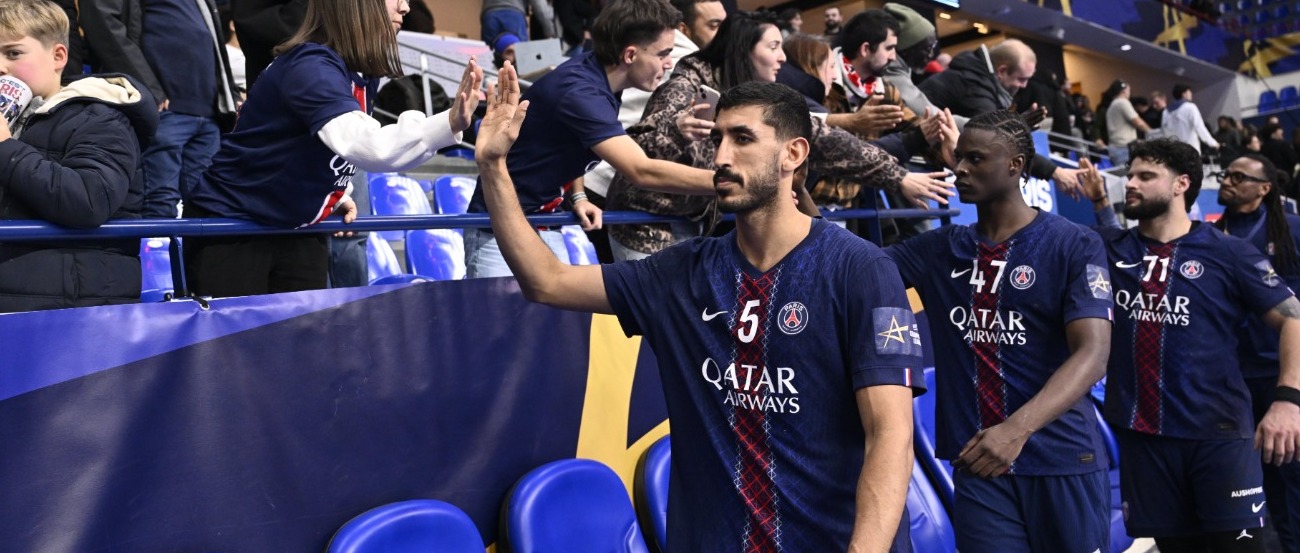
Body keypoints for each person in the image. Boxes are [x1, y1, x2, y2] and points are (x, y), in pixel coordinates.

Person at [478, 62, 921, 552]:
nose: (722, 157)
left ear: (793, 154)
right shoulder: (682, 272)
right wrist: (494, 168)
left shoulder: (861, 270)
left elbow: (890, 435)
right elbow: (548, 281)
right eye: (718, 141)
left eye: (743, 139)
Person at [886, 111, 1114, 552]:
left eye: (975, 158)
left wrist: (1015, 431)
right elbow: (852, 266)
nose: (960, 169)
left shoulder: (1072, 243)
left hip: (1061, 458)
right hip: (978, 464)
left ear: (1015, 165)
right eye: (959, 158)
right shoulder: (938, 249)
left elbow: (1093, 354)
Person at [1081, 138, 1300, 552]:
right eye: (1130, 175)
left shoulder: (1229, 252)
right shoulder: (1108, 249)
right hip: (1144, 438)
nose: (1130, 183)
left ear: (1182, 184)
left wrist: (1288, 400)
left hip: (1218, 435)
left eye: (1146, 176)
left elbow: (1293, 318)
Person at [184, 0, 482, 296]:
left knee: (300, 341)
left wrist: (332, 195)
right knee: (238, 342)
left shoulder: (361, 71)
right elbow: (371, 146)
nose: (405, 8)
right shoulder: (310, 64)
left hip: (295, 228)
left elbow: (308, 145)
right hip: (235, 227)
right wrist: (450, 121)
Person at [604, 11, 952, 260]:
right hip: (644, 222)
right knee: (663, 327)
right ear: (744, 50)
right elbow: (641, 151)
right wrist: (679, 134)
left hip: (695, 223)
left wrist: (898, 176)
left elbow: (824, 139)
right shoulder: (687, 85)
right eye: (773, 47)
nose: (782, 58)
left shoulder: (763, 97)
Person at [463, 0, 722, 278]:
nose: (669, 63)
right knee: (503, 319)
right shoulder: (580, 92)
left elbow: (576, 140)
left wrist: (578, 195)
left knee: (560, 315)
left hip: (542, 220)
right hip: (496, 228)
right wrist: (731, 182)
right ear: (630, 55)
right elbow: (641, 171)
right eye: (663, 54)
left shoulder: (601, 79)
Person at [0, 0, 159, 312]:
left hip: (68, 310)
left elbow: (89, 200)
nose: (0, 66)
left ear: (59, 56)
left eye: (13, 53)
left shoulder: (99, 115)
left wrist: (6, 148)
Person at [1213, 153, 1300, 552]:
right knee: (1248, 484)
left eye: (1238, 176)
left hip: (1284, 376)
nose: (1227, 181)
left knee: (1292, 479)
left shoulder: (1293, 231)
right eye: (1225, 174)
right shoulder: (1208, 236)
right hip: (1232, 381)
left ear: (1264, 189)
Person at [139, 0, 240, 219]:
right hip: (166, 108)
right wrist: (150, 88)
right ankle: (153, 254)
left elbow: (213, 45)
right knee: (160, 202)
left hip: (209, 112)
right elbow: (116, 29)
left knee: (206, 206)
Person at [1161, 83, 1219, 155]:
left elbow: (1164, 130)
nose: (1191, 94)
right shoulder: (1190, 107)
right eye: (1189, 92)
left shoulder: (1166, 111)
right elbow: (1199, 126)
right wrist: (1213, 143)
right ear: (1184, 94)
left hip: (1173, 149)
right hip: (1190, 147)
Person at [1105, 79, 1150, 168]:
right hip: (1123, 149)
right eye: (1129, 90)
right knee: (1126, 178)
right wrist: (1152, 132)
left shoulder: (1112, 105)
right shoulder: (1122, 102)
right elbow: (1138, 122)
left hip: (1116, 147)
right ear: (1124, 91)